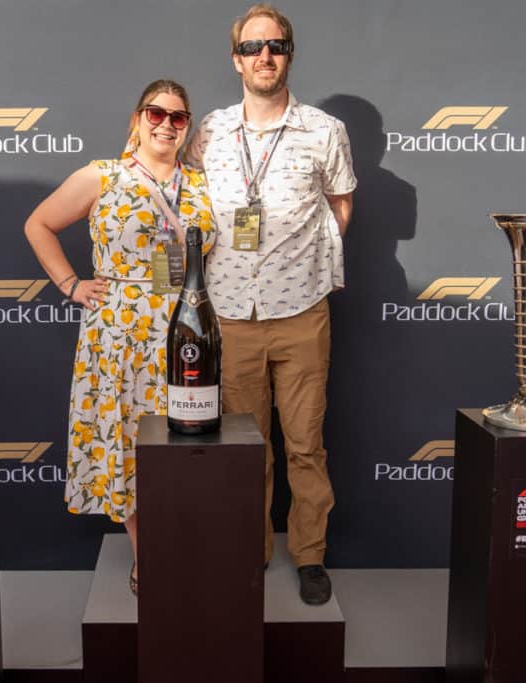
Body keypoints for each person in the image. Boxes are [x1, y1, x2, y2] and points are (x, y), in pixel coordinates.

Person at [184, 4, 356, 605]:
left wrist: (297, 261)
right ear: (236, 59)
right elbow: (187, 210)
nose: (265, 55)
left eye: (277, 45)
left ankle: (309, 555)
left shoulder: (326, 130)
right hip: (230, 313)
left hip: (302, 312)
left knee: (305, 444)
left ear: (289, 55)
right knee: (244, 446)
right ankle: (250, 552)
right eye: (254, 46)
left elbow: (341, 208)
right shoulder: (208, 130)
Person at [25, 80, 215, 596]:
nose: (166, 125)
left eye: (178, 118)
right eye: (157, 113)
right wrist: (70, 284)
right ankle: (145, 552)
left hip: (186, 329)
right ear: (137, 118)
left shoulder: (201, 183)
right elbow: (39, 223)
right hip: (121, 333)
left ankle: (184, 540)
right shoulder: (102, 176)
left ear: (187, 126)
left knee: (184, 441)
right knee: (130, 440)